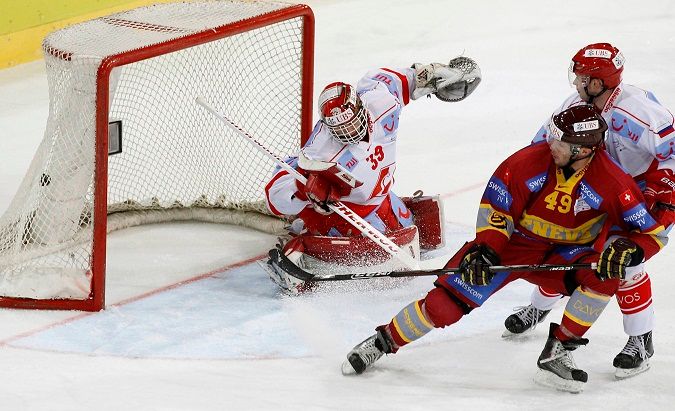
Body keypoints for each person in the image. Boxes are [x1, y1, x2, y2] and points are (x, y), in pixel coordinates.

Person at [341, 105, 668, 393]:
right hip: (511, 247)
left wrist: (632, 248)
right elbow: (496, 212)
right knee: (444, 307)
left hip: (564, 255)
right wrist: (486, 248)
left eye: (561, 142)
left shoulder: (614, 182)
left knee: (604, 274)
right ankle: (383, 341)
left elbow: (651, 234)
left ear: (584, 150)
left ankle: (559, 350)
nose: (551, 144)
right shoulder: (526, 163)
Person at [503, 43, 675, 379]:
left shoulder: (637, 113)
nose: (576, 81)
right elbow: (544, 144)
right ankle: (539, 309)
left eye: (582, 76)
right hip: (595, 189)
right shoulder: (576, 105)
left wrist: (660, 198)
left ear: (597, 82)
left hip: (639, 196)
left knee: (622, 265)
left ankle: (641, 340)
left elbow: (672, 155)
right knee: (564, 248)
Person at [262, 57, 482, 294]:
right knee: (376, 257)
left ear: (360, 107)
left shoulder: (380, 100)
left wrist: (435, 75)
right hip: (343, 216)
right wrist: (304, 188)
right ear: (327, 126)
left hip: (382, 199)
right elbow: (273, 197)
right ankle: (302, 239)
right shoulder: (318, 152)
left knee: (409, 230)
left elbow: (407, 80)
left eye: (350, 122)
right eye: (339, 127)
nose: (348, 131)